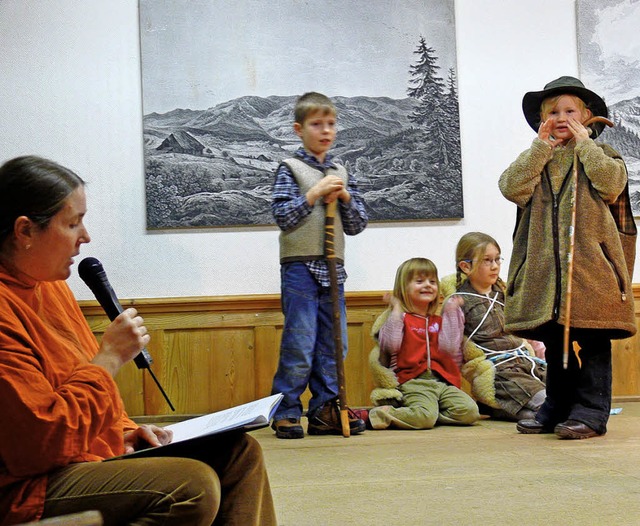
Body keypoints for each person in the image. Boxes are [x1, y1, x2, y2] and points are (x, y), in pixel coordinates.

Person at [0, 156, 277, 525]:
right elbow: (40, 444)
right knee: (191, 486)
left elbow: (83, 391)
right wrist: (111, 357)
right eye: (72, 223)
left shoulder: (51, 287)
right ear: (24, 231)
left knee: (239, 453)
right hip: (28, 485)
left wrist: (128, 432)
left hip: (80, 456)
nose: (86, 237)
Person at [498, 76, 637, 439]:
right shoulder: (536, 159)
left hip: (592, 269)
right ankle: (556, 406)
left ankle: (591, 412)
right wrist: (540, 148)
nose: (562, 117)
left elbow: (611, 184)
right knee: (556, 339)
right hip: (547, 273)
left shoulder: (602, 155)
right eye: (553, 112)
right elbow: (511, 187)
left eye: (570, 111)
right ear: (542, 120)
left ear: (587, 116)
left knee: (592, 341)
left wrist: (585, 145)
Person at [270, 92, 368, 439]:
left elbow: (357, 225)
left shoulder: (341, 171)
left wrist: (344, 197)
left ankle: (326, 407)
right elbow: (283, 216)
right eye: (316, 124)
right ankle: (286, 410)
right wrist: (313, 194)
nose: (325, 130)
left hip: (334, 270)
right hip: (299, 267)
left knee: (334, 341)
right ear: (299, 129)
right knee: (300, 340)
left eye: (330, 124)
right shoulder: (290, 168)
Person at [356, 258, 480, 430]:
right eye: (419, 281)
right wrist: (397, 310)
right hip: (413, 382)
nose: (428, 285)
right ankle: (379, 414)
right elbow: (390, 344)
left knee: (470, 412)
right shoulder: (399, 319)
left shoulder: (438, 321)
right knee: (424, 418)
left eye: (432, 281)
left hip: (442, 382)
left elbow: (451, 347)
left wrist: (451, 311)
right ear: (403, 288)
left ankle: (426, 413)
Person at [439, 232, 547, 422]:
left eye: (497, 259)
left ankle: (513, 411)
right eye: (487, 261)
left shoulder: (506, 294)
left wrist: (542, 359)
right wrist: (452, 387)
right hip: (498, 370)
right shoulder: (457, 301)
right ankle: (529, 411)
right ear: (465, 266)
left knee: (569, 394)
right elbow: (449, 348)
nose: (495, 266)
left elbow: (528, 332)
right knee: (542, 400)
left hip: (527, 362)